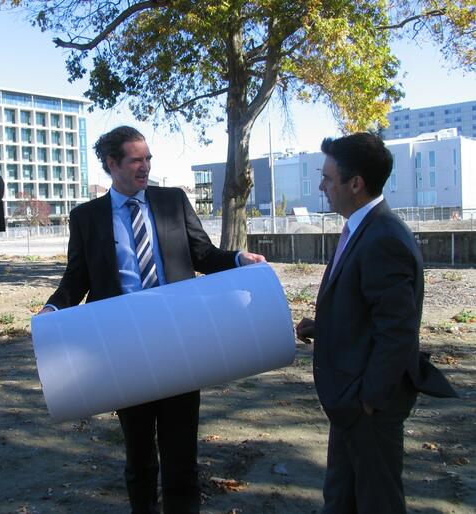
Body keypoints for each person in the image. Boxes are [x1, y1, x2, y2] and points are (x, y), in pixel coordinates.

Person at [37, 125, 265, 514]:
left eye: (148, 159)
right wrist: (53, 310)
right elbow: (77, 279)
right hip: (123, 349)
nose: (145, 167)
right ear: (112, 164)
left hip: (178, 342)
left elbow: (204, 255)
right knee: (139, 457)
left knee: (182, 458)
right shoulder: (87, 218)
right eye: (136, 160)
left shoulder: (172, 201)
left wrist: (238, 260)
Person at [296, 133, 457, 514]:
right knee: (340, 500)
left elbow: (397, 330)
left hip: (368, 404)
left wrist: (369, 400)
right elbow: (369, 312)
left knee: (378, 502)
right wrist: (323, 326)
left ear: (356, 184)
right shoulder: (363, 228)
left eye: (328, 178)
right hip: (352, 402)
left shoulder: (383, 236)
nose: (322, 186)